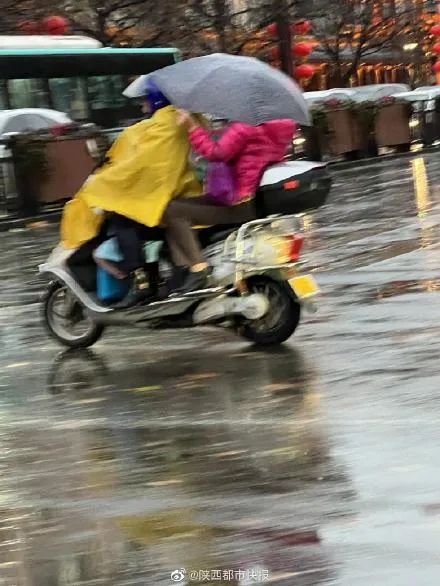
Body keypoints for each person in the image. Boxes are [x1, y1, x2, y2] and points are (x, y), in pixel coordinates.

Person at [162, 111, 297, 293]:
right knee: (179, 207)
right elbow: (246, 149)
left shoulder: (246, 125)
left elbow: (216, 153)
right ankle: (185, 273)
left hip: (239, 202)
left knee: (173, 211)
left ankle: (199, 269)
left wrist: (192, 127)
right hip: (256, 199)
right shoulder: (282, 125)